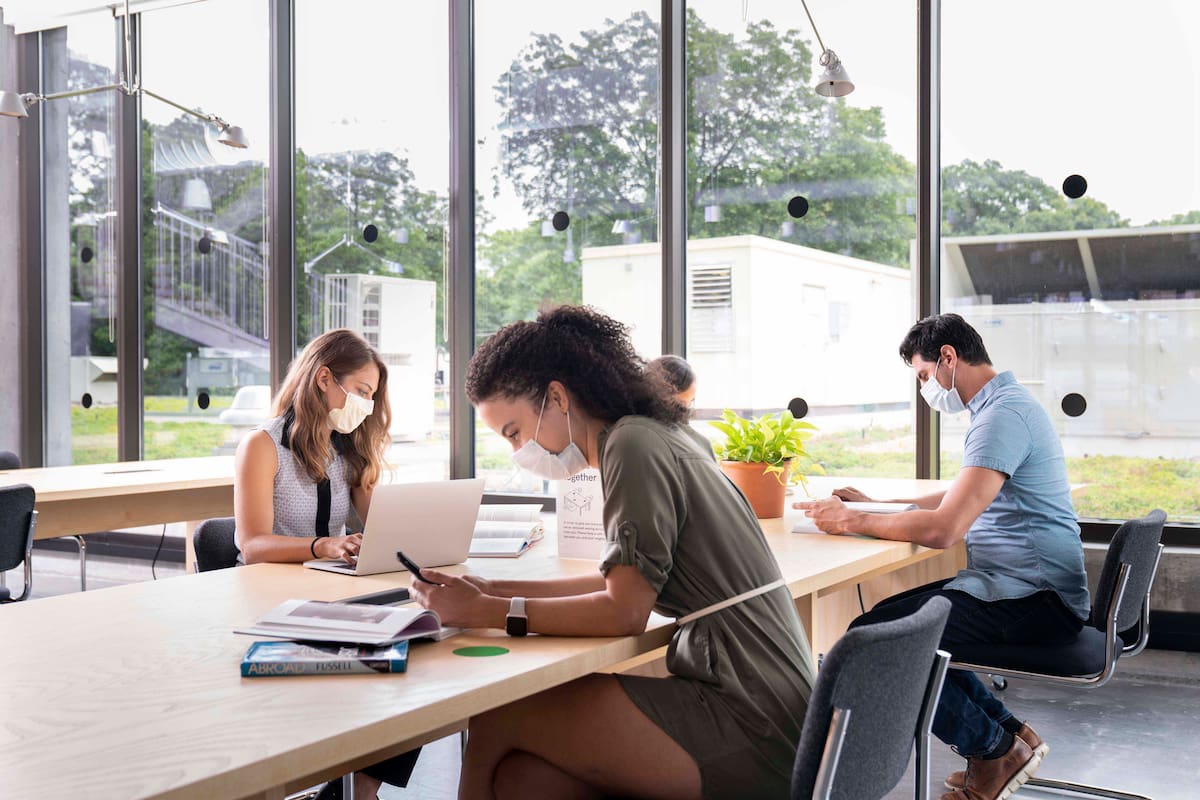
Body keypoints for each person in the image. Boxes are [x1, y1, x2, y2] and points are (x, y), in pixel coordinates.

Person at [409, 305, 815, 800]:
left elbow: (624, 611)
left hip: (750, 713)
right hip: (775, 698)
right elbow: (623, 583)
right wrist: (491, 589)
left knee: (498, 712)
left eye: (514, 433)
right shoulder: (664, 432)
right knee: (522, 781)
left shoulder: (630, 444)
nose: (517, 452)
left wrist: (488, 611)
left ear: (556, 397)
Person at [796, 313, 1090, 800]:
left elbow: (944, 529)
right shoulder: (1004, 406)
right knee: (888, 625)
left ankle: (992, 751)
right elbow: (960, 495)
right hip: (1025, 588)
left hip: (1037, 600)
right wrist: (879, 504)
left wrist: (851, 520)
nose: (924, 389)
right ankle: (1009, 739)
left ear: (948, 358)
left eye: (924, 375)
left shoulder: (1002, 417)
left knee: (876, 642)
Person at [232, 328, 417, 800]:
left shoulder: (347, 448)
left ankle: (358, 791)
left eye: (372, 397)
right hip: (271, 606)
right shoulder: (262, 445)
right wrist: (323, 546)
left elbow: (382, 527)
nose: (366, 406)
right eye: (361, 391)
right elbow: (251, 545)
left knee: (412, 665)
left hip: (330, 599)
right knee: (383, 665)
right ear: (323, 379)